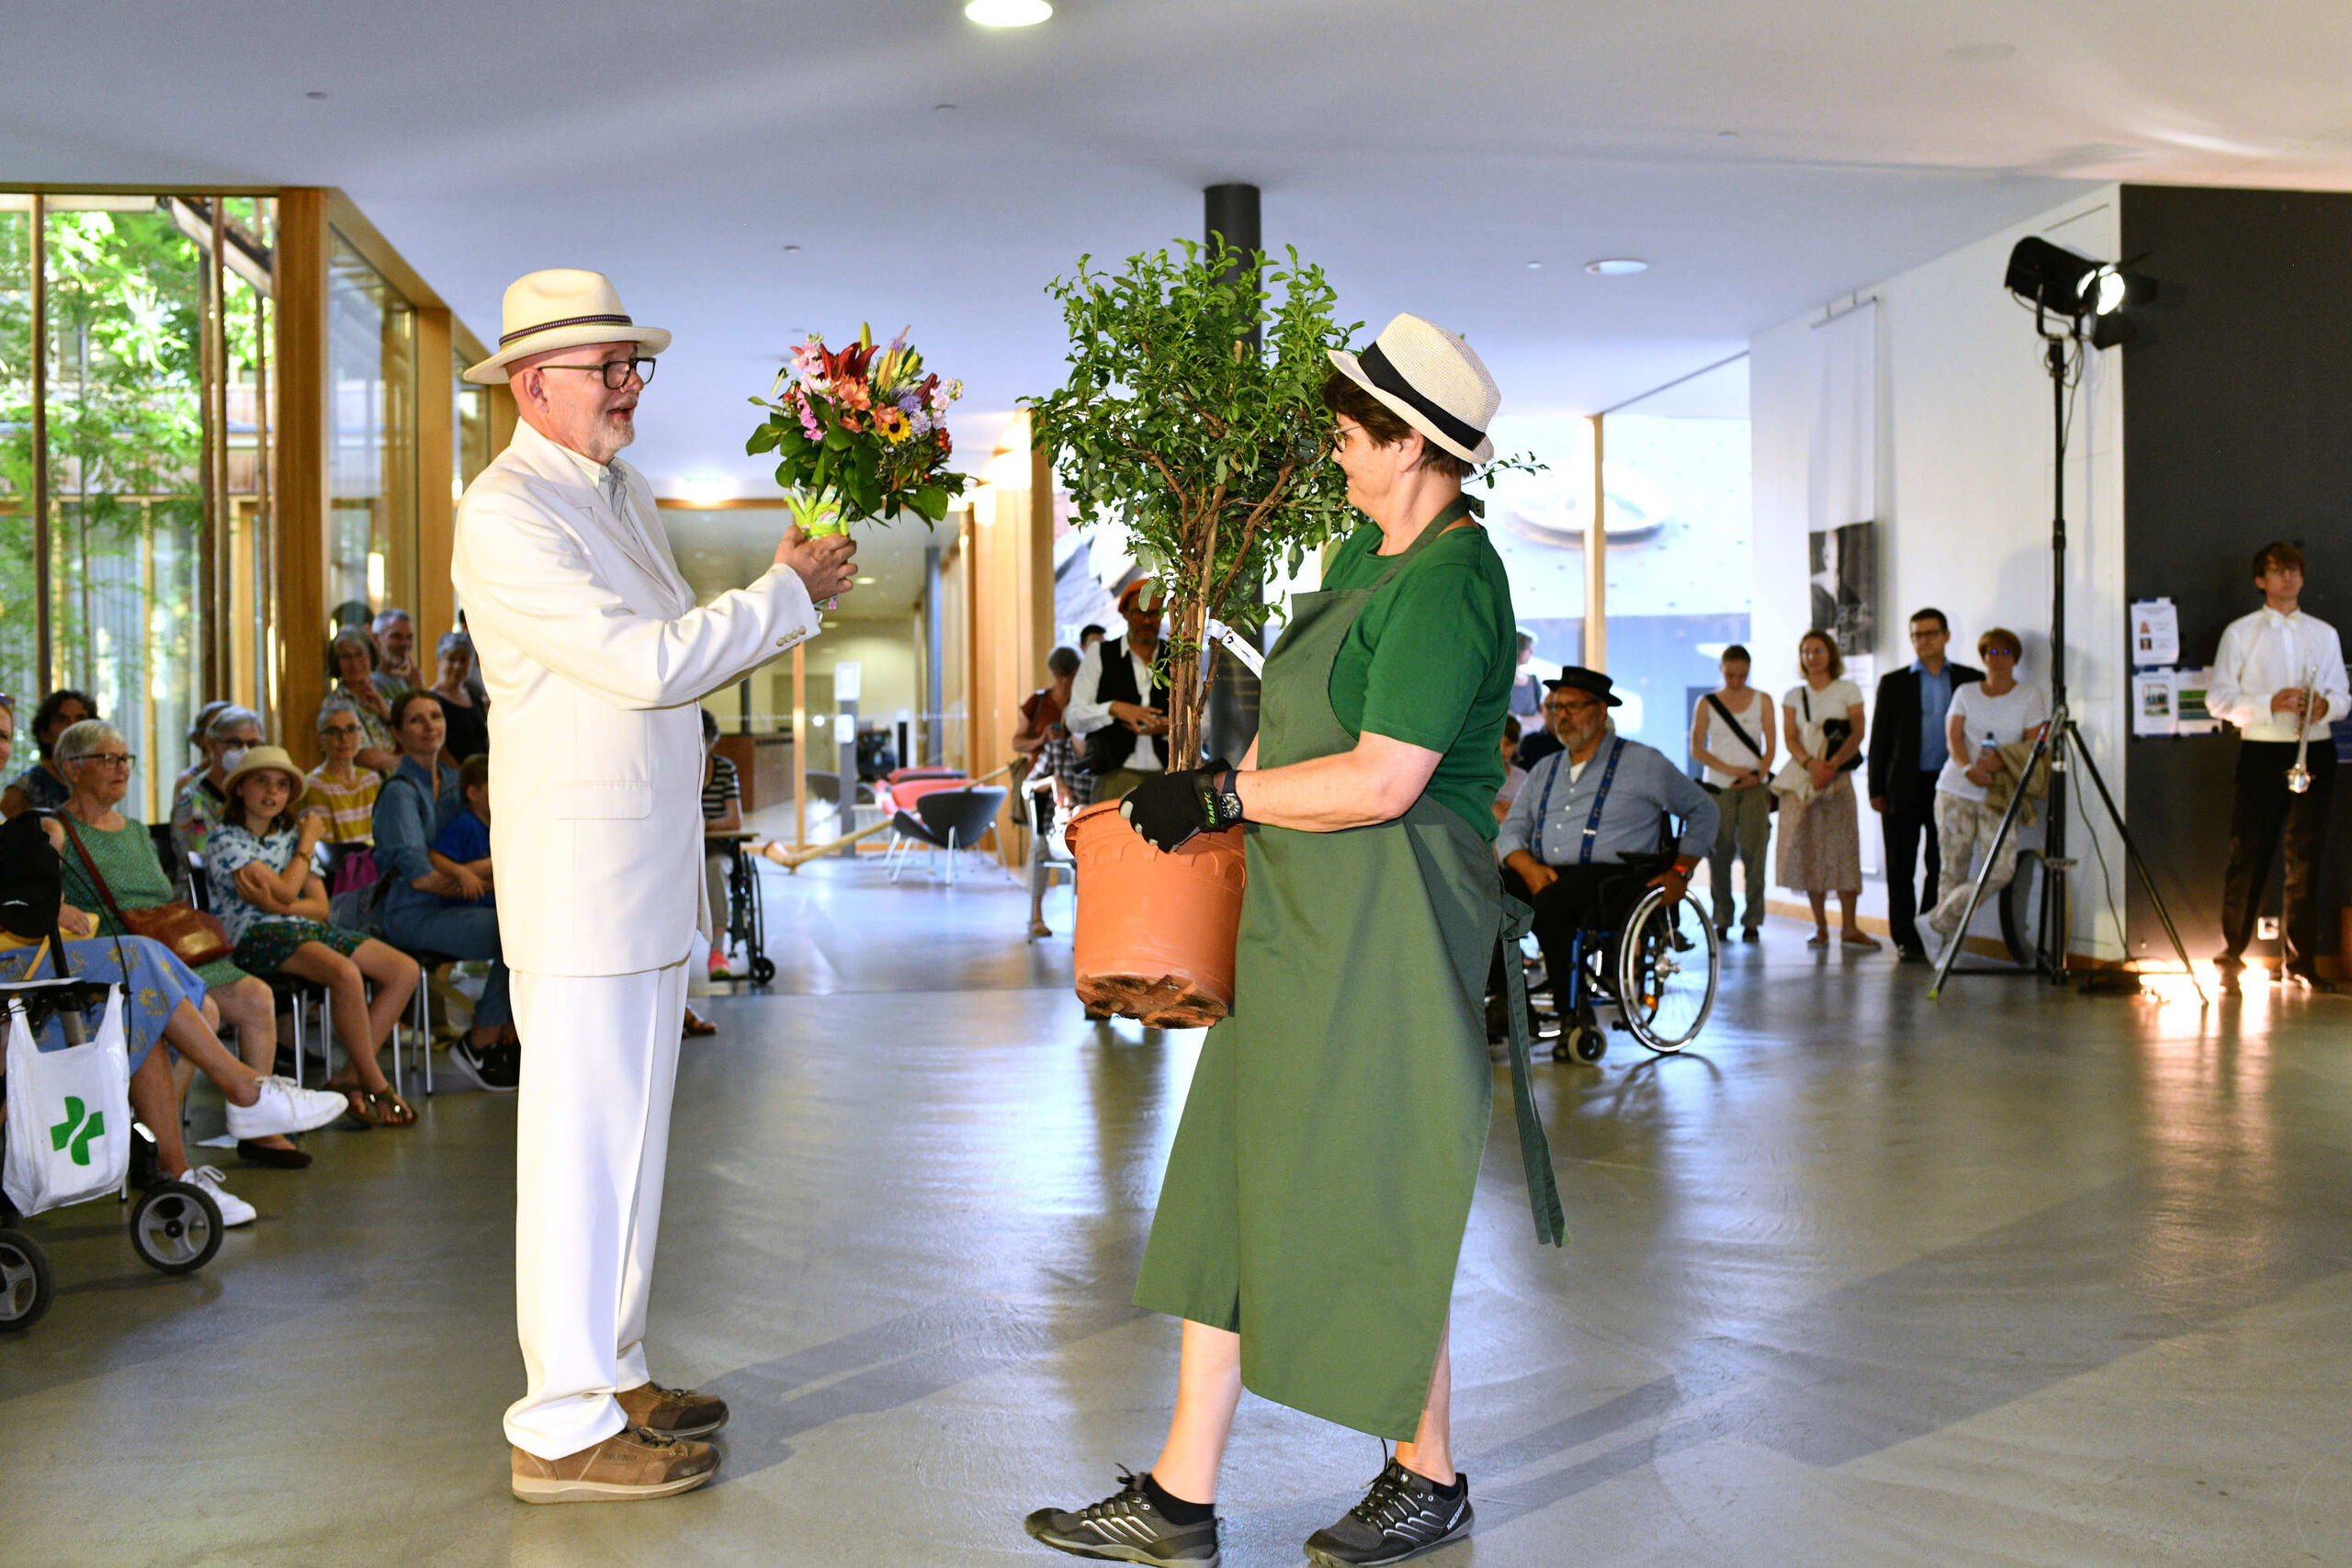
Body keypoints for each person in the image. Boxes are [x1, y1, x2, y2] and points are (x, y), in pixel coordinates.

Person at [1030, 313, 1550, 1568]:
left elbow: (1383, 777)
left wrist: (1224, 796)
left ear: (1413, 444)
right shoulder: (1360, 552)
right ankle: (1178, 1495)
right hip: (1302, 909)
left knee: (1371, 1180)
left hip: (1391, 919)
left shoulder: (1451, 583)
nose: (1332, 448)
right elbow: (1292, 731)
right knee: (1231, 1177)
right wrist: (1221, 810)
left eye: (1349, 430)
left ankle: (1428, 1475)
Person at [452, 267, 854, 1503]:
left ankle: (612, 1371)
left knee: (628, 1143)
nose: (630, 386)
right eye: (608, 368)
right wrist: (783, 596)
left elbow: (668, 654)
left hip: (636, 867)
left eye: (636, 365)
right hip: (582, 875)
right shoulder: (506, 510)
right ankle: (557, 1427)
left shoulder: (616, 490)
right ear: (533, 384)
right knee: (579, 1151)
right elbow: (641, 666)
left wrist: (779, 595)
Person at [1, 814, 347, 1224]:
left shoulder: (117, 828)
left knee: (143, 1004)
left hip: (40, 957)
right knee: (137, 958)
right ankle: (244, 1092)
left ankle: (176, 1173)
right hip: (18, 964)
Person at [48, 719, 307, 1168]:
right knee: (202, 1010)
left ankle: (259, 1130)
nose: (122, 768)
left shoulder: (135, 830)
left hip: (167, 940)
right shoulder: (58, 830)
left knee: (256, 997)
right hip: (116, 944)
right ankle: (155, 1141)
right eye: (107, 759)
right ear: (72, 768)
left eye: (125, 759)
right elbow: (46, 901)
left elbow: (160, 892)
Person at [204, 745, 423, 1130]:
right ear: (239, 788)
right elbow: (290, 890)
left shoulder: (289, 837)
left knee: (403, 970)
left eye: (282, 785)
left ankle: (349, 1076)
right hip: (254, 936)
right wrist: (306, 844)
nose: (272, 792)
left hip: (303, 928)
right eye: (261, 782)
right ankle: (375, 1081)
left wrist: (278, 901)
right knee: (345, 972)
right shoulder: (226, 839)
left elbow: (319, 907)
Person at [1498, 670, 1719, 992]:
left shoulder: (1643, 762)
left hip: (1613, 881)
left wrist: (1681, 870)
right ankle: (1506, 1002)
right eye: (1557, 707)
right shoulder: (1545, 769)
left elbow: (1704, 810)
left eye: (1573, 706)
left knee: (1551, 903)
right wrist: (1526, 865)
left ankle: (1570, 1010)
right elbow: (1513, 826)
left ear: (1601, 711)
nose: (1562, 716)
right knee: (1486, 895)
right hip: (1545, 873)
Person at [2207, 540, 2349, 994]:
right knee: (2249, 855)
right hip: (2263, 752)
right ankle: (2230, 960)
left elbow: (2343, 695)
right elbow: (2218, 700)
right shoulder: (2240, 633)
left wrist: (2325, 706)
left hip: (2315, 749)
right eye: (2278, 570)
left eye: (2295, 570)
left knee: (2305, 859)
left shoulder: (2324, 633)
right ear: (2260, 579)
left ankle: (2301, 962)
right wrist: (2270, 703)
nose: (2288, 578)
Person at [373, 690, 518, 1091]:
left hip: (455, 906)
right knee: (512, 934)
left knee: (530, 926)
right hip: (411, 912)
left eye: (435, 716)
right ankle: (481, 1041)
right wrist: (479, 874)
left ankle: (510, 1032)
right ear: (397, 733)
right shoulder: (399, 791)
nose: (429, 726)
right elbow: (421, 877)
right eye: (416, 719)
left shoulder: (457, 783)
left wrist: (480, 874)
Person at [1921, 628, 2048, 954]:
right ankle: (1944, 950)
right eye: (1992, 652)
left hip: (1999, 793)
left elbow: (2033, 745)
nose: (1998, 659)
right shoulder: (1966, 692)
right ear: (1983, 657)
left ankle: (1936, 922)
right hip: (1956, 790)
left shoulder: (2029, 696)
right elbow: (1954, 737)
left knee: (2001, 870)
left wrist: (2001, 761)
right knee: (1952, 869)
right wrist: (1968, 768)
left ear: (2015, 658)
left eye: (2005, 653)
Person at [1868, 608, 1983, 961]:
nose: (1924, 641)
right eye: (1917, 635)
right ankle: (1904, 937)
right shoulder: (1894, 682)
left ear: (1946, 636)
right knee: (1900, 866)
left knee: (1940, 862)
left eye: (1931, 634)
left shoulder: (1969, 680)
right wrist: (1876, 789)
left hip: (1949, 786)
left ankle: (1930, 929)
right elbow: (1879, 739)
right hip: (1902, 785)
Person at [1780, 630, 1878, 950]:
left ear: (1831, 654)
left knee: (1844, 849)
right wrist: (1811, 764)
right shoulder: (1794, 695)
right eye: (1806, 651)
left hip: (1839, 778)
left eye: (1818, 650)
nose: (1812, 657)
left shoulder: (1848, 690)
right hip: (1806, 779)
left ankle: (1849, 926)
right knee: (1810, 850)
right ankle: (1819, 925)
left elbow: (1857, 732)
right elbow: (1790, 737)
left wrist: (1832, 765)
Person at [1690, 644, 1776, 942]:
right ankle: (1722, 916)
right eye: (1730, 675)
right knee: (1720, 852)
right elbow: (1697, 749)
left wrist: (1756, 775)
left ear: (1748, 671)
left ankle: (1753, 919)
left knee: (1755, 852)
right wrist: (1729, 770)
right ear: (1721, 670)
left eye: (1742, 675)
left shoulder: (1763, 700)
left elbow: (1771, 747)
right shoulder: (1707, 703)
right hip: (1718, 787)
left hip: (1754, 786)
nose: (1736, 681)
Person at [1065, 581, 1172, 804]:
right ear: (1124, 614)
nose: (1146, 621)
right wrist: (1114, 708)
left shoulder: (1176, 656)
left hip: (1168, 778)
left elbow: (1205, 723)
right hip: (1113, 777)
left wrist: (1170, 727)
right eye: (1139, 613)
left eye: (1153, 613)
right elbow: (1074, 718)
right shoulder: (1100, 654)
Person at [1021, 647, 1084, 940]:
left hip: (1082, 817)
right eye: (1060, 676)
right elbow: (1018, 743)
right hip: (1051, 801)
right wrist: (1052, 775)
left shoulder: (1099, 754)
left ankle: (1089, 916)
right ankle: (1036, 914)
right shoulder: (1040, 703)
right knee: (1039, 846)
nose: (1064, 682)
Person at [303, 699, 383, 897]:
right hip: (341, 878)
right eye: (333, 731)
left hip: (375, 869)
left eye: (351, 729)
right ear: (320, 740)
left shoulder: (372, 779)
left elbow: (384, 833)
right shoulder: (314, 784)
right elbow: (329, 852)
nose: (343, 738)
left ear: (361, 734)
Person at [171, 704, 264, 866]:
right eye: (235, 743)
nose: (245, 751)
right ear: (212, 744)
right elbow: (203, 860)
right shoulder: (193, 800)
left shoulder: (257, 793)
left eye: (252, 744)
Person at [1, 688, 96, 818]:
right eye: (62, 720)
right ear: (44, 734)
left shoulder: (96, 778)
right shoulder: (27, 785)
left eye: (80, 719)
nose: (73, 727)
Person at [326, 627, 404, 777]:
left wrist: (387, 715)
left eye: (360, 654)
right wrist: (405, 761)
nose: (354, 663)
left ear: (371, 657)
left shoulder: (382, 696)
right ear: (336, 663)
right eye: (346, 657)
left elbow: (409, 739)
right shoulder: (335, 704)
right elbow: (360, 755)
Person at [430, 753, 495, 907]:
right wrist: (461, 872)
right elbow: (435, 856)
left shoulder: (498, 827)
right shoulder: (465, 824)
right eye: (493, 788)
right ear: (473, 793)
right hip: (467, 908)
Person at [429, 630, 491, 764]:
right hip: (454, 774)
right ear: (440, 660)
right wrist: (462, 773)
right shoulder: (431, 700)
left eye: (463, 660)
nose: (457, 666)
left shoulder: (474, 697)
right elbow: (439, 750)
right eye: (451, 659)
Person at [373, 606, 421, 693]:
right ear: (376, 639)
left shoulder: (408, 678)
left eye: (409, 637)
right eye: (396, 636)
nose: (405, 644)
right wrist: (417, 686)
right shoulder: (368, 682)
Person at [1494, 714, 1527, 824]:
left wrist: (1514, 809)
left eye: (1508, 744)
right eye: (1497, 744)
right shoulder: (1477, 774)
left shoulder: (1522, 777)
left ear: (1516, 745)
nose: (1502, 749)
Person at [1507, 627, 1545, 717]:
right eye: (1529, 648)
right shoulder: (1500, 681)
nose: (1532, 652)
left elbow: (1541, 714)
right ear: (1519, 649)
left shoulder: (1533, 680)